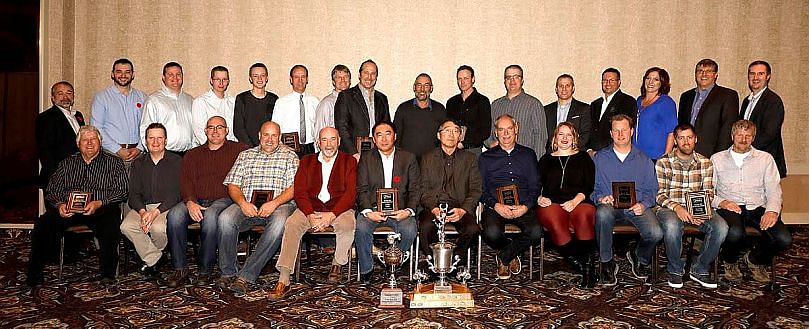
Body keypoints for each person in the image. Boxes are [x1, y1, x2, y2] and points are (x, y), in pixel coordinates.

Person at [27, 125, 127, 287]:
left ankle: (108, 274)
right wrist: (60, 205)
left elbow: (122, 191)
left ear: (100, 142)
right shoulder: (67, 164)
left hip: (101, 208)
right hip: (69, 209)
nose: (89, 143)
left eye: (93, 139)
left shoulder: (114, 163)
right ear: (78, 144)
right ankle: (34, 274)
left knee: (111, 223)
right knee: (43, 223)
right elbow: (52, 190)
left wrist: (99, 203)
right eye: (85, 140)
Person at [268, 127, 357, 299]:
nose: (329, 144)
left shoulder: (349, 161)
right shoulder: (307, 160)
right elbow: (300, 192)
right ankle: (283, 278)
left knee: (348, 224)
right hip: (310, 207)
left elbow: (351, 194)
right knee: (292, 224)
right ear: (318, 142)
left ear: (339, 141)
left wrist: (331, 215)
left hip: (339, 208)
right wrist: (309, 214)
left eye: (333, 139)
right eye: (324, 140)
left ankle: (337, 264)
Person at [165, 116, 248, 287]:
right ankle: (180, 268)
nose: (215, 131)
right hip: (196, 199)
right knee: (174, 215)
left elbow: (262, 150)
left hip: (224, 200)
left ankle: (205, 270)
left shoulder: (239, 150)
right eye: (211, 127)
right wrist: (189, 201)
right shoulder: (192, 154)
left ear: (226, 130)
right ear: (205, 131)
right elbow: (185, 181)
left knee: (210, 218)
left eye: (219, 127)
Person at [217, 121, 298, 295]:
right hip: (247, 205)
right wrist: (242, 203)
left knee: (279, 225)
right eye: (266, 135)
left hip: (279, 206)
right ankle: (228, 271)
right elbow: (233, 185)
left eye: (274, 135)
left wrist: (274, 203)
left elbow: (295, 188)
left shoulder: (290, 157)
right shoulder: (245, 155)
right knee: (225, 219)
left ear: (280, 137)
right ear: (259, 136)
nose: (270, 139)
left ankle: (246, 276)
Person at [713, 120, 791, 283]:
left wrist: (772, 211)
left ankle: (755, 259)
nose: (743, 139)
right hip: (730, 206)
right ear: (732, 136)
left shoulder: (765, 159)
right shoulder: (717, 159)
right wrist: (722, 202)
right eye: (740, 135)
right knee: (735, 233)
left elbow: (774, 189)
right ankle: (730, 261)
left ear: (753, 138)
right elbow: (707, 190)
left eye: (748, 136)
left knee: (784, 239)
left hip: (758, 206)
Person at [593, 114, 662, 286]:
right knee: (602, 214)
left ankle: (639, 256)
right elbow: (590, 188)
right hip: (610, 206)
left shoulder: (644, 160)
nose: (620, 134)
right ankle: (606, 262)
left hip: (636, 207)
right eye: (616, 130)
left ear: (631, 131)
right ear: (611, 133)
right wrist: (600, 198)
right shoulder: (600, 158)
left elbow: (652, 189)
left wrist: (644, 204)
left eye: (624, 130)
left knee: (656, 233)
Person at [656, 123, 727, 289]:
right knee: (672, 225)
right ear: (675, 141)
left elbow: (708, 193)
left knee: (721, 227)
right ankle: (675, 269)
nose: (686, 142)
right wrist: (678, 208)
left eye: (689, 138)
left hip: (698, 207)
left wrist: (697, 210)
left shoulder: (706, 163)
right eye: (681, 138)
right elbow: (659, 195)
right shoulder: (663, 162)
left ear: (696, 139)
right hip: (670, 208)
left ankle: (700, 268)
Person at [354, 121, 421, 283]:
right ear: (374, 140)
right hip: (374, 209)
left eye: (388, 134)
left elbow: (415, 189)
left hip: (401, 210)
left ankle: (393, 261)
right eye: (379, 135)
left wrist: (409, 211)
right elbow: (361, 189)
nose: (384, 139)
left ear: (395, 137)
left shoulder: (408, 158)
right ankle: (366, 269)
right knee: (361, 228)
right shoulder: (366, 158)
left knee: (410, 229)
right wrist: (368, 211)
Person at [479, 114, 542, 280]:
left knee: (536, 232)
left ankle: (504, 256)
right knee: (491, 233)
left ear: (516, 130)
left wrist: (526, 206)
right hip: (496, 206)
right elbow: (481, 189)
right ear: (496, 133)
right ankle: (511, 250)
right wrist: (496, 205)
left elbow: (535, 186)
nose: (506, 134)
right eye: (501, 130)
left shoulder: (528, 155)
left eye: (509, 129)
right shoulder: (485, 158)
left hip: (523, 205)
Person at [535, 122, 596, 288]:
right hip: (552, 202)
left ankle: (587, 267)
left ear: (574, 138)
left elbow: (589, 185)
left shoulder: (584, 158)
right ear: (555, 138)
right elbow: (536, 185)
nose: (564, 138)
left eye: (568, 134)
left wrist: (575, 201)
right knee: (551, 217)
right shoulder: (545, 159)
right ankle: (584, 266)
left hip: (579, 200)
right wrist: (539, 197)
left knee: (584, 215)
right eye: (561, 134)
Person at [418, 119, 481, 272]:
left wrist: (463, 210)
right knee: (426, 227)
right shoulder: (427, 158)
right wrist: (433, 208)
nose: (451, 134)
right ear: (439, 135)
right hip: (434, 205)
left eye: (455, 131)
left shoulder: (470, 159)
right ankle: (433, 262)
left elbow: (476, 189)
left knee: (473, 228)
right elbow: (422, 188)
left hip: (459, 206)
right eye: (447, 130)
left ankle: (454, 261)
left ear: (460, 136)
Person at [120, 123, 181, 279]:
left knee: (159, 227)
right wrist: (142, 212)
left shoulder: (177, 161)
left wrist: (155, 213)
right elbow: (133, 194)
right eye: (151, 138)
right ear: (145, 141)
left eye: (159, 138)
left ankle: (150, 260)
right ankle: (156, 259)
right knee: (127, 226)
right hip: (143, 207)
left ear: (166, 140)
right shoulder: (138, 163)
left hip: (166, 207)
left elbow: (176, 194)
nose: (155, 142)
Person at [90, 58, 147, 167]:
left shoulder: (143, 97)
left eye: (127, 72)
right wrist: (117, 149)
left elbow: (147, 126)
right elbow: (96, 128)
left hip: (138, 156)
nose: (123, 75)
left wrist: (140, 148)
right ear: (112, 74)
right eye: (119, 72)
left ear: (133, 75)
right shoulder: (101, 97)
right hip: (110, 155)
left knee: (135, 185)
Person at [677, 59, 739, 157]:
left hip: (712, 154)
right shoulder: (686, 96)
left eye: (708, 71)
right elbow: (681, 126)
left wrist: (718, 156)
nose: (703, 74)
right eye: (700, 71)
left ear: (715, 75)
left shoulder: (728, 96)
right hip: (686, 154)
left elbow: (728, 129)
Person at [334, 59, 390, 160]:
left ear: (376, 77)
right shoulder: (346, 96)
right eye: (366, 73)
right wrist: (353, 153)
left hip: (377, 153)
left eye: (373, 73)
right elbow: (341, 128)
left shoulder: (382, 98)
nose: (369, 77)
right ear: (359, 75)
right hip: (353, 154)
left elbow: (386, 127)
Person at [487, 65, 546, 159]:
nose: (512, 81)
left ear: (522, 80)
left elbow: (540, 136)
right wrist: (490, 143)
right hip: (499, 161)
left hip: (524, 161)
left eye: (516, 77)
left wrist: (535, 162)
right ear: (504, 81)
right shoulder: (495, 105)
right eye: (508, 77)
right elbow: (488, 132)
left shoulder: (534, 104)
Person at [740, 60, 787, 178]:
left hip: (765, 164)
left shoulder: (773, 101)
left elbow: (769, 135)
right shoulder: (747, 101)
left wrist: (743, 148)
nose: (755, 77)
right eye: (752, 74)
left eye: (760, 74)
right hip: (748, 162)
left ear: (768, 77)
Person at [36, 81, 84, 189]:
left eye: (69, 93)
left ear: (73, 96)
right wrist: (57, 177)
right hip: (57, 177)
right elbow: (45, 151)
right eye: (60, 93)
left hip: (78, 175)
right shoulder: (45, 118)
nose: (65, 97)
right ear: (53, 98)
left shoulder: (78, 115)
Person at [139, 62, 194, 155]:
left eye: (178, 74)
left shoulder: (190, 100)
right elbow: (145, 129)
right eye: (170, 75)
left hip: (188, 154)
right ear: (163, 78)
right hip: (164, 155)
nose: (175, 78)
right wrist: (154, 155)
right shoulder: (154, 100)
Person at [393, 73, 447, 158]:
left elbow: (444, 137)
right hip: (408, 161)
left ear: (431, 88)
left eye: (426, 85)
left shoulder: (440, 109)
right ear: (414, 87)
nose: (422, 89)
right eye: (419, 85)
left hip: (432, 161)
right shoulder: (403, 108)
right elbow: (396, 136)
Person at [588, 68, 637, 155]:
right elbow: (590, 128)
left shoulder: (627, 101)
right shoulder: (595, 104)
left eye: (611, 80)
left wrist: (603, 152)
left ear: (619, 82)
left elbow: (624, 131)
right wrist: (589, 149)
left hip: (614, 154)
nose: (607, 83)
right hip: (593, 154)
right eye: (605, 80)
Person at [273, 65, 320, 157]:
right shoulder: (281, 102)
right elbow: (275, 127)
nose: (300, 80)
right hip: (289, 148)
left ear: (307, 79)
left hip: (310, 148)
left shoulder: (315, 101)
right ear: (291, 79)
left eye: (303, 77)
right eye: (296, 77)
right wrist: (281, 146)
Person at [445, 65, 491, 157]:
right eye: (459, 79)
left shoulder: (482, 101)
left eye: (466, 78)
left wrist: (464, 144)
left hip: (473, 151)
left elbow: (485, 130)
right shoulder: (451, 102)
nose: (462, 82)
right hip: (453, 151)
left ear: (473, 79)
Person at [634, 67, 677, 161]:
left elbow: (672, 132)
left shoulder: (666, 102)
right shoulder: (639, 100)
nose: (651, 82)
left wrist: (666, 157)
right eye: (648, 78)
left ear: (662, 83)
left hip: (656, 157)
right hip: (637, 156)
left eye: (656, 79)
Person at [233, 63, 279, 147]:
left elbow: (277, 125)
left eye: (263, 75)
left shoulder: (274, 99)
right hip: (248, 148)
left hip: (269, 146)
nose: (259, 79)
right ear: (250, 79)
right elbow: (238, 129)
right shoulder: (242, 98)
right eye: (255, 76)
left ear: (267, 78)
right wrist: (252, 148)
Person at [543, 74, 592, 151]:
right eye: (561, 86)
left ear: (573, 88)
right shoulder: (546, 110)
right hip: (552, 155)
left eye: (567, 86)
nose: (564, 89)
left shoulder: (584, 109)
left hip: (575, 154)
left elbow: (585, 135)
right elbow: (544, 136)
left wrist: (568, 149)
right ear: (556, 89)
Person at [192, 66, 237, 146]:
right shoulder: (200, 102)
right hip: (209, 149)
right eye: (217, 79)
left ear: (228, 81)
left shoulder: (233, 101)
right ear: (211, 81)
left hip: (230, 148)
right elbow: (199, 131)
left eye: (224, 79)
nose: (221, 83)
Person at [314, 64, 351, 133]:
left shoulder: (354, 102)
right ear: (333, 82)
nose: (342, 80)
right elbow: (319, 131)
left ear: (350, 80)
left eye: (345, 77)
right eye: (338, 77)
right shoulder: (326, 103)